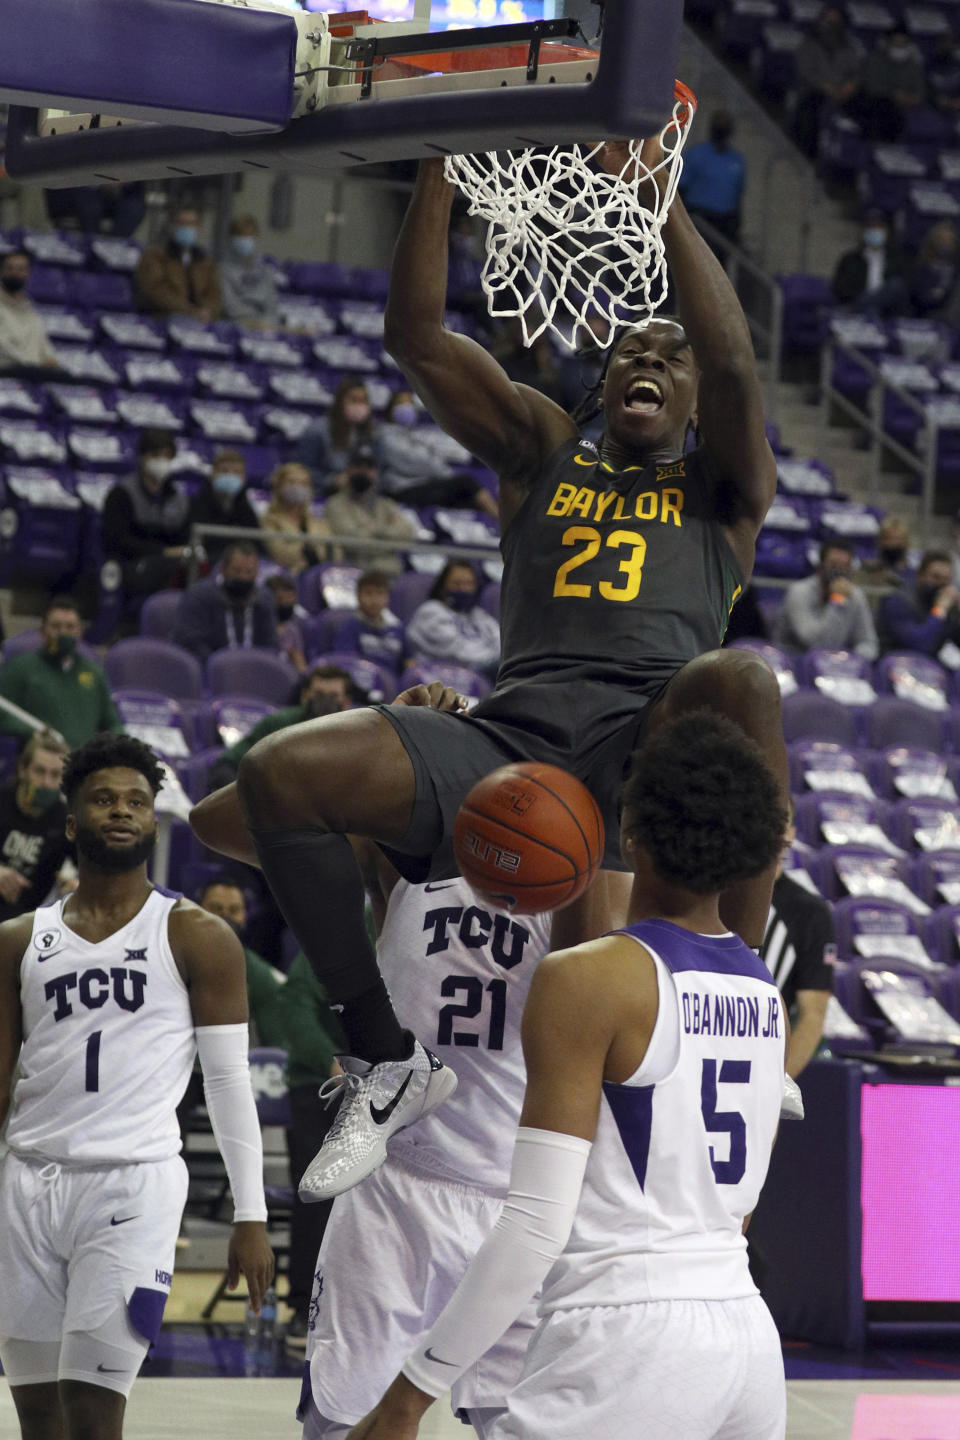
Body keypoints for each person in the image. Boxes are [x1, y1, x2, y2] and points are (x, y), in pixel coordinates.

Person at [190, 144, 787, 1201]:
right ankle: (383, 1058)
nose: (647, 359)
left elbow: (738, 364)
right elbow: (414, 336)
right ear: (603, 383)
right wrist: (436, 169)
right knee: (280, 778)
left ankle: (735, 967)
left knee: (740, 683)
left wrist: (665, 208)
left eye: (669, 354)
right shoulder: (544, 448)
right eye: (628, 351)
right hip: (512, 742)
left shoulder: (724, 488)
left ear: (694, 397)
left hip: (646, 739)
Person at [344, 711, 789, 1440]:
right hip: (743, 1335)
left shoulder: (593, 977)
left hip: (626, 1339)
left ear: (631, 833)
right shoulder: (760, 986)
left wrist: (407, 1397)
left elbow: (534, 1223)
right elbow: (738, 1205)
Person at [0, 734, 274, 1440]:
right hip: (26, 1183)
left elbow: (227, 1080)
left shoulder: (197, 935)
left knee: (94, 1409)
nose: (120, 812)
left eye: (136, 802)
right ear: (71, 823)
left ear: (153, 821)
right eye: (102, 800)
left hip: (132, 1186)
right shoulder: (18, 939)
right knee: (36, 1416)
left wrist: (251, 1215)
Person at [298, 847, 555, 1438]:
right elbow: (256, 812)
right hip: (395, 1182)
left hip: (514, 1199)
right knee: (341, 1421)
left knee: (529, 1424)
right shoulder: (403, 856)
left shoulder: (573, 887)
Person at [278, 948, 347, 1349]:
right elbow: (294, 1005)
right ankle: (304, 1307)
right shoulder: (343, 929)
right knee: (316, 1194)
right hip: (319, 1086)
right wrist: (328, 1059)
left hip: (382, 1088)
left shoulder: (409, 928)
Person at [758, 798, 833, 1079]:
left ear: (791, 833)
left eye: (780, 824)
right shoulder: (714, 891)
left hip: (765, 1056)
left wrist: (779, 1082)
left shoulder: (810, 912)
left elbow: (812, 1014)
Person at [205, 663, 356, 793]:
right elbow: (226, 765)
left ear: (346, 702)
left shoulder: (355, 736)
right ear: (304, 697)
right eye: (319, 694)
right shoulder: (279, 724)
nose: (325, 702)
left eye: (333, 696)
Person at [0, 596, 123, 749]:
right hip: (39, 761)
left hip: (82, 762)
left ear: (80, 632)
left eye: (70, 627)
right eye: (56, 626)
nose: (63, 633)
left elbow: (113, 724)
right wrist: (31, 731)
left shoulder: (94, 672)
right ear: (43, 630)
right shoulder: (20, 667)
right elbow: (3, 715)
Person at [101, 429, 192, 603]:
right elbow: (117, 540)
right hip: (129, 562)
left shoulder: (177, 497)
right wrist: (163, 552)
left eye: (167, 456)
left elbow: (183, 536)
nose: (161, 461)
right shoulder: (122, 493)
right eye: (156, 455)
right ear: (141, 457)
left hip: (169, 563)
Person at [380, 389, 499, 519]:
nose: (407, 408)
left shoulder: (413, 435)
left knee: (467, 500)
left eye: (410, 403)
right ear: (391, 408)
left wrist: (430, 463)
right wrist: (430, 463)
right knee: (466, 482)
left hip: (424, 485)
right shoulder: (384, 435)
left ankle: (492, 527)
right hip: (402, 489)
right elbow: (411, 463)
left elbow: (436, 465)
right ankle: (500, 520)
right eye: (401, 403)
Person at [197, 875, 287, 1047]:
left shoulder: (259, 975)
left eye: (234, 910)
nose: (225, 917)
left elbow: (277, 1048)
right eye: (216, 908)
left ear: (245, 916)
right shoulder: (174, 960)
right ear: (197, 909)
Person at [0, 730, 71, 923]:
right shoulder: (3, 800)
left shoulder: (66, 820)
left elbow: (87, 866)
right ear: (23, 770)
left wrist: (78, 884)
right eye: (39, 771)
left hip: (27, 923)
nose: (46, 783)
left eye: (55, 774)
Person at [171, 540, 277, 663]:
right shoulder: (199, 595)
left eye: (249, 572)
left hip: (252, 672)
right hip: (207, 669)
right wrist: (224, 667)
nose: (242, 577)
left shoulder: (264, 599)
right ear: (223, 569)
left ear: (257, 573)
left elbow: (271, 644)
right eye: (237, 571)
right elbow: (190, 641)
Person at [322, 445, 419, 577]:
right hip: (357, 576)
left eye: (369, 467)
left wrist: (373, 531)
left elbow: (408, 536)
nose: (363, 471)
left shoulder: (386, 504)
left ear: (376, 472)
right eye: (358, 466)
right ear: (348, 470)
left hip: (392, 575)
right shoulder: (335, 504)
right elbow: (354, 543)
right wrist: (390, 535)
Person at [774, 538, 878, 659]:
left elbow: (869, 644)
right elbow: (813, 643)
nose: (839, 571)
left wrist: (851, 658)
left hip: (837, 665)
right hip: (795, 661)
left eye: (845, 566)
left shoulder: (855, 595)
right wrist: (837, 600)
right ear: (820, 566)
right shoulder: (799, 592)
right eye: (833, 564)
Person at [407, 560, 500, 679]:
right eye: (457, 583)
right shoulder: (430, 612)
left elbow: (500, 644)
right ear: (443, 585)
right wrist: (492, 661)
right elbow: (456, 653)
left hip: (481, 675)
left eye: (469, 584)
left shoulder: (479, 615)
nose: (463, 589)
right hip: (441, 676)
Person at [793, 7, 864, 158]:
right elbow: (806, 73)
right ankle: (807, 154)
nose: (831, 24)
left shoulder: (849, 49)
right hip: (815, 92)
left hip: (843, 94)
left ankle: (853, 158)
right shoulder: (808, 45)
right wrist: (825, 87)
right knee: (811, 107)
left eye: (835, 21)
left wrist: (851, 85)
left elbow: (856, 72)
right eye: (828, 20)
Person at [296, 377, 384, 495]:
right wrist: (331, 480)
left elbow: (380, 469)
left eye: (363, 401)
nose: (359, 406)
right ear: (340, 402)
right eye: (353, 400)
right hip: (327, 493)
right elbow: (301, 471)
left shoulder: (373, 433)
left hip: (362, 496)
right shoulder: (317, 430)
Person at [135, 205, 222, 321]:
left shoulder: (205, 261)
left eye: (192, 224)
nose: (187, 228)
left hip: (202, 318)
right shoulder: (154, 256)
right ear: (172, 226)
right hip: (166, 316)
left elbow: (214, 293)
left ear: (199, 228)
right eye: (182, 223)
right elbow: (156, 290)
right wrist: (189, 311)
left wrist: (208, 311)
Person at [678, 110, 746, 252]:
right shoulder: (695, 154)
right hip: (698, 218)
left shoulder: (737, 160)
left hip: (724, 223)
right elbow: (681, 189)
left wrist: (736, 225)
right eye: (719, 125)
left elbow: (738, 195)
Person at [877, 548, 960, 658]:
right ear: (920, 576)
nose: (941, 584)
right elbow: (918, 645)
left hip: (931, 665)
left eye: (946, 580)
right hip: (896, 662)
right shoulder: (898, 601)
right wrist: (940, 610)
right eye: (935, 577)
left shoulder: (945, 604)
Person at [187, 448, 262, 569]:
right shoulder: (196, 503)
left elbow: (258, 544)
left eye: (237, 472)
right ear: (213, 474)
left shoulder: (245, 507)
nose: (231, 476)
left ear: (244, 477)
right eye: (225, 471)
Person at [852, 26, 925, 142]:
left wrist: (911, 98)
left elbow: (920, 90)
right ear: (888, 43)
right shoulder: (875, 59)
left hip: (904, 104)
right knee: (883, 109)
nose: (899, 46)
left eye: (903, 43)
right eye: (896, 42)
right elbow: (871, 85)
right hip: (876, 101)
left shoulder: (913, 65)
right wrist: (893, 94)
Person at [831, 210, 908, 317]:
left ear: (887, 232)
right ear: (864, 232)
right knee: (871, 310)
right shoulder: (850, 259)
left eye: (879, 228)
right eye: (871, 228)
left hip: (889, 312)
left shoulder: (897, 260)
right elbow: (840, 288)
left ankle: (863, 307)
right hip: (859, 306)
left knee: (895, 285)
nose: (875, 232)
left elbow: (904, 291)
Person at [261, 462, 333, 576]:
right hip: (287, 579)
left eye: (304, 483)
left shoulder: (318, 522)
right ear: (279, 486)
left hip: (321, 578)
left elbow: (333, 552)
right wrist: (311, 547)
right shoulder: (270, 521)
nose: (298, 487)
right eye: (292, 482)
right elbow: (280, 554)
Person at [333, 568, 407, 676]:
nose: (374, 600)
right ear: (358, 596)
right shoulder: (351, 627)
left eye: (380, 593)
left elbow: (409, 664)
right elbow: (347, 664)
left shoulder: (398, 628)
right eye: (368, 593)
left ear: (388, 597)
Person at [0, 248, 59, 374]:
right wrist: (34, 364)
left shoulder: (32, 313)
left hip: (34, 373)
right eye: (10, 268)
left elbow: (45, 349)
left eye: (21, 269)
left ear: (27, 274)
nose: (15, 273)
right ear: (2, 272)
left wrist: (50, 360)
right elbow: (3, 349)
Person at [219, 214, 279, 330]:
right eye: (240, 235)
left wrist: (267, 321)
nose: (245, 240)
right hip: (237, 324)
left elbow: (272, 305)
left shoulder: (265, 270)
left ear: (256, 237)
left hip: (266, 324)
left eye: (248, 235)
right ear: (231, 238)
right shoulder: (223, 270)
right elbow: (229, 305)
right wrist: (253, 321)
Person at [910, 220, 960, 319]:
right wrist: (939, 294)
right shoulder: (922, 265)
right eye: (942, 240)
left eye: (949, 240)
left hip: (952, 312)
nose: (946, 244)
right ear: (934, 241)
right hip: (927, 312)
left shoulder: (956, 267)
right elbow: (920, 298)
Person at [266, 572, 311, 673]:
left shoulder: (292, 629)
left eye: (290, 599)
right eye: (280, 599)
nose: (285, 604)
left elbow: (301, 665)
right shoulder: (255, 626)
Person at [855, 516, 913, 590]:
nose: (893, 544)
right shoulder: (868, 567)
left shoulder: (913, 568)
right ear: (880, 540)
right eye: (889, 538)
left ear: (905, 542)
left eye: (898, 539)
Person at [928, 29, 960, 117]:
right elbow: (926, 88)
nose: (947, 46)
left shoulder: (957, 64)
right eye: (944, 42)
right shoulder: (930, 64)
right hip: (936, 105)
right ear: (938, 45)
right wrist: (938, 99)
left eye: (951, 43)